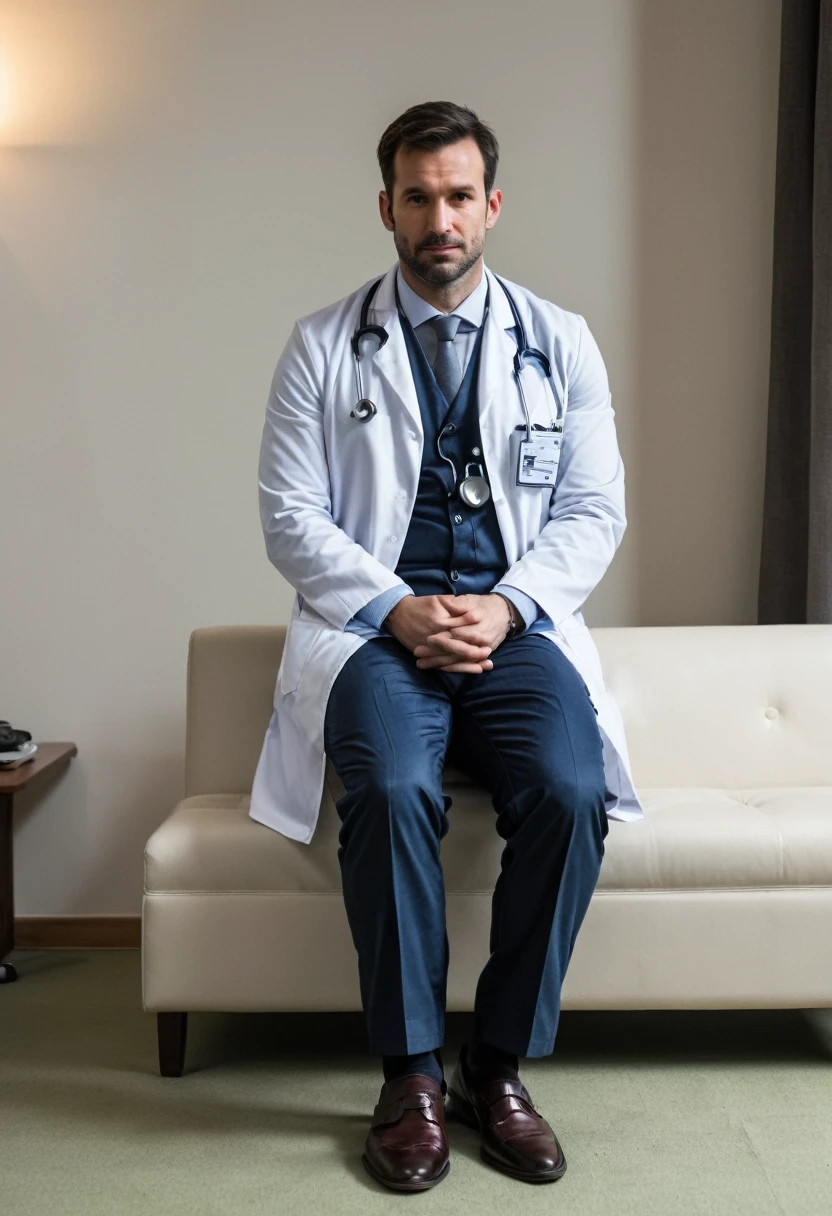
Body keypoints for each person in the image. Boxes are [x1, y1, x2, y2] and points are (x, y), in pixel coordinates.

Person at [252, 99, 644, 1192]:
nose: (440, 219)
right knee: (385, 789)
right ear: (386, 206)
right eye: (417, 197)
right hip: (375, 631)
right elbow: (291, 515)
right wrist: (395, 607)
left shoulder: (558, 342)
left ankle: (499, 1066)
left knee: (571, 791)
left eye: (459, 196)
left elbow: (592, 511)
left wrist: (510, 606)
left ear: (493, 205)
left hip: (514, 622)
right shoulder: (322, 344)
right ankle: (410, 1075)